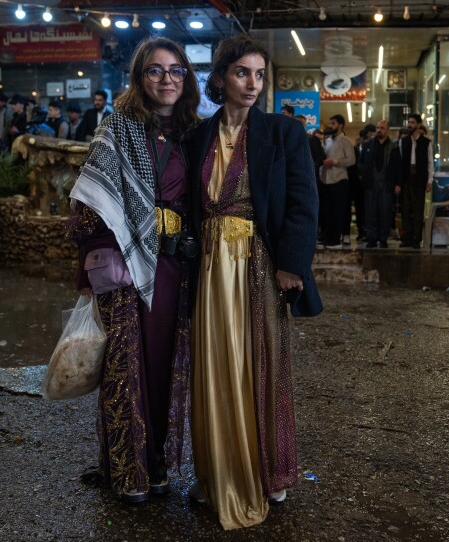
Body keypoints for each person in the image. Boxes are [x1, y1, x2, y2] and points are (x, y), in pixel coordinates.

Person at [188, 34, 322, 530]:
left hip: (258, 264)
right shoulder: (199, 135)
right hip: (207, 267)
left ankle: (269, 471)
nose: (252, 83)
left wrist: (293, 264)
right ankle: (217, 470)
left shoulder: (283, 132)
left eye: (259, 74)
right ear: (221, 76)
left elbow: (304, 204)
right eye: (242, 72)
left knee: (260, 361)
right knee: (214, 366)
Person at [65, 37, 199, 506]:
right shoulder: (116, 128)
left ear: (187, 78)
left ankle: (158, 464)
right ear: (140, 78)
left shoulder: (191, 134)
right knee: (126, 370)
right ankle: (127, 470)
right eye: (156, 71)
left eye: (176, 70)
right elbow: (88, 203)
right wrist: (109, 255)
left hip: (171, 271)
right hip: (125, 270)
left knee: (163, 369)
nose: (167, 80)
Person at [395, 114, 434, 249]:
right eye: (409, 122)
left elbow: (430, 163)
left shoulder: (426, 142)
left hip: (419, 179)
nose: (410, 125)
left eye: (412, 122)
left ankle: (416, 239)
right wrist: (398, 183)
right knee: (405, 210)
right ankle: (407, 238)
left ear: (418, 124)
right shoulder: (403, 141)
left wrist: (430, 180)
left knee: (418, 210)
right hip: (406, 179)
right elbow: (399, 164)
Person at [358, 120, 399, 248]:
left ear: (387, 130)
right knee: (370, 212)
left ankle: (383, 239)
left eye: (382, 127)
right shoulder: (368, 145)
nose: (379, 130)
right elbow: (361, 163)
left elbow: (398, 167)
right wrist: (363, 176)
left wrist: (397, 183)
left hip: (386, 184)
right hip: (371, 184)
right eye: (377, 127)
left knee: (385, 213)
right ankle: (371, 238)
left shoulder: (394, 147)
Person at [320, 114, 355, 249]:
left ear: (341, 125)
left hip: (339, 180)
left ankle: (335, 239)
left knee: (338, 211)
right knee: (327, 211)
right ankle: (328, 238)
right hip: (326, 180)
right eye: (330, 123)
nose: (330, 126)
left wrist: (335, 162)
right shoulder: (328, 141)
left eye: (333, 123)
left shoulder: (346, 141)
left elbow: (351, 160)